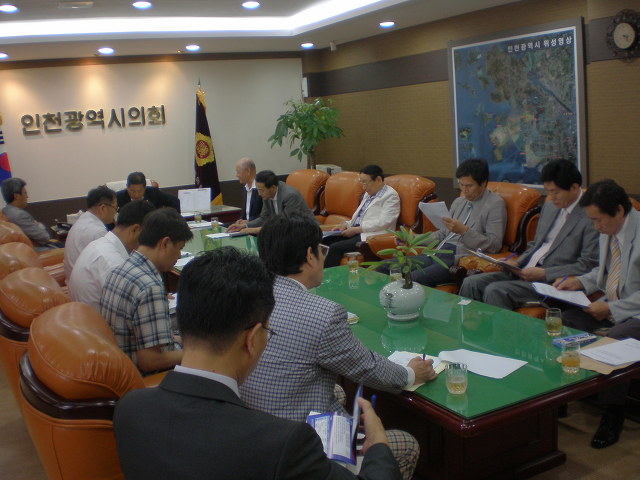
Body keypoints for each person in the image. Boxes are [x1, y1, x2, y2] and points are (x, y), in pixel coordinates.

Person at [114, 247, 403, 480]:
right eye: (267, 331)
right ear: (252, 339)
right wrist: (377, 444)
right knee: (402, 444)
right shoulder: (282, 443)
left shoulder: (129, 408)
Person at [240, 212, 437, 480]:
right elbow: (367, 367)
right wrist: (412, 374)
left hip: (256, 428)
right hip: (300, 444)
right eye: (322, 250)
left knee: (338, 392)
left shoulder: (249, 296)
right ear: (310, 256)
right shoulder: (322, 313)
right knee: (406, 443)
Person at [555, 180, 640, 449]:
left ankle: (613, 414)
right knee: (565, 321)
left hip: (634, 313)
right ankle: (561, 396)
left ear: (619, 210)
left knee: (616, 338)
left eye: (598, 220)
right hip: (610, 303)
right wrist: (579, 282)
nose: (595, 227)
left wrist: (612, 309)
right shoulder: (609, 230)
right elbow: (602, 273)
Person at [459, 159, 599, 310]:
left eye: (555, 192)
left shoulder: (591, 216)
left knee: (495, 290)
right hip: (525, 270)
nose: (551, 197)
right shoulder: (550, 206)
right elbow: (535, 245)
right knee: (471, 283)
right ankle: (468, 325)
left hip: (552, 281)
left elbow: (587, 264)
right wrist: (516, 263)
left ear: (574, 187)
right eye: (548, 191)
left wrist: (545, 273)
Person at [380, 158, 507, 287]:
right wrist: (412, 239)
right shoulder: (459, 202)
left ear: (483, 183)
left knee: (413, 278)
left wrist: (464, 231)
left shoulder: (495, 204)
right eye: (461, 184)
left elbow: (494, 244)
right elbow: (442, 234)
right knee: (385, 267)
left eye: (469, 186)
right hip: (437, 252)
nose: (464, 190)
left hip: (457, 257)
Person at [100, 208, 192, 375]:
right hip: (143, 376)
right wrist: (195, 354)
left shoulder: (120, 269)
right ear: (165, 243)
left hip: (120, 363)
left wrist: (183, 342)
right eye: (179, 248)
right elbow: (150, 361)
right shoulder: (150, 287)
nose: (179, 256)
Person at [68, 200, 155, 311]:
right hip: (97, 320)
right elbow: (126, 311)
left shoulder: (100, 244)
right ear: (135, 230)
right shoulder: (114, 264)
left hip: (84, 315)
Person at [323, 165, 400, 268]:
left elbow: (384, 222)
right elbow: (359, 216)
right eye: (362, 183)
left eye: (365, 183)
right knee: (324, 241)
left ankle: (332, 276)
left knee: (335, 248)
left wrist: (356, 229)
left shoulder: (391, 196)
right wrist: (346, 224)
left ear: (378, 179)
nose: (363, 187)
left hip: (372, 236)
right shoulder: (368, 193)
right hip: (357, 231)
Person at [227, 169, 314, 235]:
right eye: (258, 190)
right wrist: (244, 226)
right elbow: (264, 218)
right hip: (284, 233)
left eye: (261, 190)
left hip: (304, 232)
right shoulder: (267, 194)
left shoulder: (290, 196)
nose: (259, 194)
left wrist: (253, 230)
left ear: (273, 188)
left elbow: (286, 225)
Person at [63, 185, 118, 281]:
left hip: (73, 279)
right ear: (103, 208)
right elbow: (109, 266)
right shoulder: (98, 231)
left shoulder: (81, 220)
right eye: (115, 208)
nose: (115, 213)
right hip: (84, 284)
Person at [1, 177, 53, 249]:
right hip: (37, 251)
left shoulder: (5, 211)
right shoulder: (20, 215)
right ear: (16, 196)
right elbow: (45, 237)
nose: (27, 196)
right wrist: (38, 224)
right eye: (25, 193)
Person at [116, 171, 180, 212]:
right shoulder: (118, 197)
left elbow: (175, 201)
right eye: (132, 191)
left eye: (139, 191)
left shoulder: (153, 192)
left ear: (145, 188)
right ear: (127, 187)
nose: (136, 195)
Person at [236, 157, 263, 224]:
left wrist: (248, 222)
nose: (236, 175)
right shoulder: (245, 188)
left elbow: (266, 215)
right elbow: (245, 214)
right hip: (245, 227)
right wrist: (240, 221)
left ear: (248, 171)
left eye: (238, 172)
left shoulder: (262, 188)